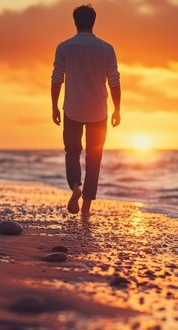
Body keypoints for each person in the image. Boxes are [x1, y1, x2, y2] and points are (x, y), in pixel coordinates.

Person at [51, 4, 121, 216]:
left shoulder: (64, 47)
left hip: (72, 108)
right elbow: (114, 81)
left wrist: (54, 105)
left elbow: (57, 78)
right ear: (93, 21)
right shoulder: (106, 48)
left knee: (72, 152)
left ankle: (75, 186)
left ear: (75, 22)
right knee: (94, 157)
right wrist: (117, 109)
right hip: (98, 110)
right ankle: (87, 208)